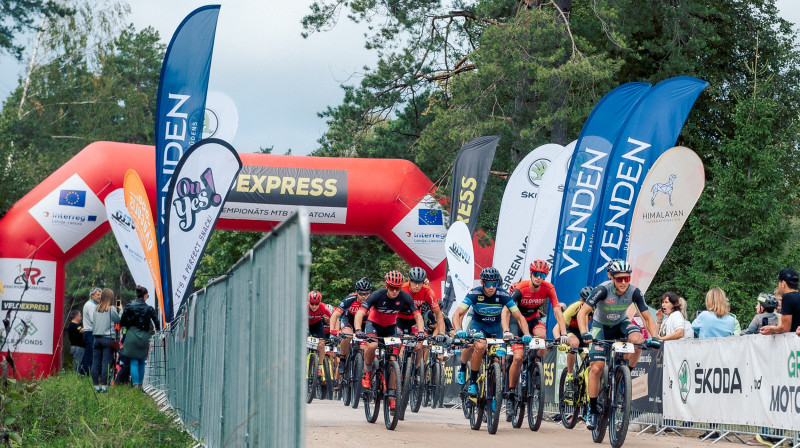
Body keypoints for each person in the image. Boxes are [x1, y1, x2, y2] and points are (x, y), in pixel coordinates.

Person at [577, 259, 659, 430]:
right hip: (601, 327)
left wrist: (655, 336)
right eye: (619, 278)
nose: (623, 282)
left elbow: (647, 317)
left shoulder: (634, 291)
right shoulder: (602, 290)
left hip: (621, 323)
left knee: (638, 340)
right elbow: (583, 312)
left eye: (627, 278)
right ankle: (591, 410)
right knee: (597, 368)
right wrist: (585, 332)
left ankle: (624, 375)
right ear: (611, 276)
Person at [453, 267, 532, 396]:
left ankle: (494, 394)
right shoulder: (474, 293)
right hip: (478, 325)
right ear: (482, 283)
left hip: (496, 327)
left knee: (500, 362)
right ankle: (473, 382)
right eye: (488, 284)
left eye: (494, 284)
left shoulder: (503, 295)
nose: (491, 287)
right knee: (480, 346)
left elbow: (519, 316)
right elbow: (457, 314)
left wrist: (527, 333)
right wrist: (458, 330)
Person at [354, 270, 425, 412]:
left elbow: (417, 315)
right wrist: (358, 330)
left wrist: (421, 331)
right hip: (373, 325)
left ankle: (392, 394)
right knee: (372, 344)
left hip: (391, 327)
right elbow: (361, 312)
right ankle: (367, 371)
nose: (394, 291)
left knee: (393, 357)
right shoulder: (377, 295)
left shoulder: (405, 297)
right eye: (392, 287)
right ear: (387, 286)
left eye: (397, 288)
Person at [502, 260, 567, 398]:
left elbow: (557, 311)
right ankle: (512, 391)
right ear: (531, 274)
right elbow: (506, 311)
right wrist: (506, 330)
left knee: (542, 336)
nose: (539, 277)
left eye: (542, 275)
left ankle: (535, 364)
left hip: (532, 319)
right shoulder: (522, 287)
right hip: (517, 320)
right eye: (536, 274)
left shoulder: (548, 287)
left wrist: (564, 333)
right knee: (518, 357)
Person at [398, 267, 445, 370]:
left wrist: (441, 333)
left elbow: (439, 314)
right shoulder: (402, 289)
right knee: (398, 344)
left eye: (420, 283)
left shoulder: (428, 291)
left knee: (420, 345)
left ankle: (416, 370)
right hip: (399, 318)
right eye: (414, 282)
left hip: (415, 319)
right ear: (409, 280)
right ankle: (396, 367)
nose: (417, 286)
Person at [330, 277, 372, 382]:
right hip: (349, 320)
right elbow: (335, 315)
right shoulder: (350, 299)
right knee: (347, 335)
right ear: (356, 292)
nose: (364, 296)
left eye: (366, 294)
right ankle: (343, 359)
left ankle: (363, 375)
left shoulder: (372, 301)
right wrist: (332, 331)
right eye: (361, 294)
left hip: (364, 323)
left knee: (365, 347)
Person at [553, 285, 593, 392]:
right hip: (569, 330)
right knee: (574, 343)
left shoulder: (594, 308)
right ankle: (569, 375)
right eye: (586, 301)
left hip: (583, 332)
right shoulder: (574, 307)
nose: (588, 304)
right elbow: (556, 328)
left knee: (589, 358)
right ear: (581, 300)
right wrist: (559, 341)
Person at [120, 285, 160, 388]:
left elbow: (122, 321)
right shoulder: (149, 308)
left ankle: (136, 384)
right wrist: (157, 329)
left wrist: (128, 325)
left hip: (132, 334)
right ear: (145, 295)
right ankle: (141, 385)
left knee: (133, 361)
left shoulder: (129, 306)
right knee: (142, 361)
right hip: (144, 335)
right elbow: (156, 322)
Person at [91, 288, 121, 393]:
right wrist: (120, 310)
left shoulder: (95, 308)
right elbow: (118, 321)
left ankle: (96, 386)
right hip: (108, 338)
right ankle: (104, 387)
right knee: (105, 364)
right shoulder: (111, 309)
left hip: (96, 338)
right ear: (110, 297)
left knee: (95, 364)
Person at [760, 268, 800, 335]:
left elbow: (786, 328)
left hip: (793, 341)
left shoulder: (788, 297)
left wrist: (772, 329)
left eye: (779, 282)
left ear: (783, 283)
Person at [79, 287, 101, 375]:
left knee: (87, 353)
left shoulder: (93, 305)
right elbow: (94, 320)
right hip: (90, 332)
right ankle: (86, 374)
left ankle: (81, 372)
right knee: (90, 355)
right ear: (92, 296)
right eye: (98, 295)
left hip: (89, 332)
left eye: (101, 295)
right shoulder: (90, 305)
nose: (100, 296)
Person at [308, 290, 330, 359]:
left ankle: (319, 367)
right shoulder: (304, 306)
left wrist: (333, 330)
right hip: (305, 324)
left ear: (320, 302)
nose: (314, 306)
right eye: (312, 304)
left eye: (316, 304)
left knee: (322, 344)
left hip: (317, 324)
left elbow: (334, 317)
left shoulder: (324, 307)